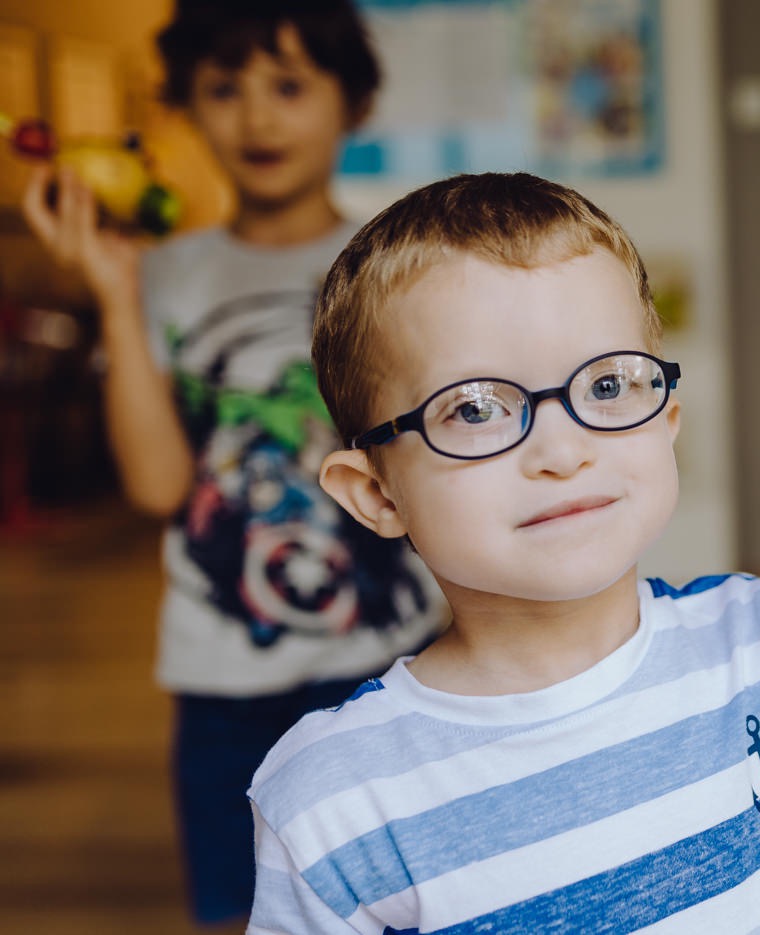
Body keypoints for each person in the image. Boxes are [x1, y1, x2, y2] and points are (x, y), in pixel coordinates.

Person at [245, 171, 760, 932]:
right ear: (376, 493)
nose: (563, 448)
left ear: (666, 422)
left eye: (607, 386)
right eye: (475, 408)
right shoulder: (332, 801)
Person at [20, 1, 445, 927]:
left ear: (352, 102)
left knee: (420, 905)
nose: (257, 117)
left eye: (289, 86)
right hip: (222, 687)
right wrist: (116, 299)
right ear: (187, 106)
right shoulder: (161, 274)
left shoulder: (401, 265)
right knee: (244, 911)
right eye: (224, 89)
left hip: (395, 663)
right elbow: (158, 487)